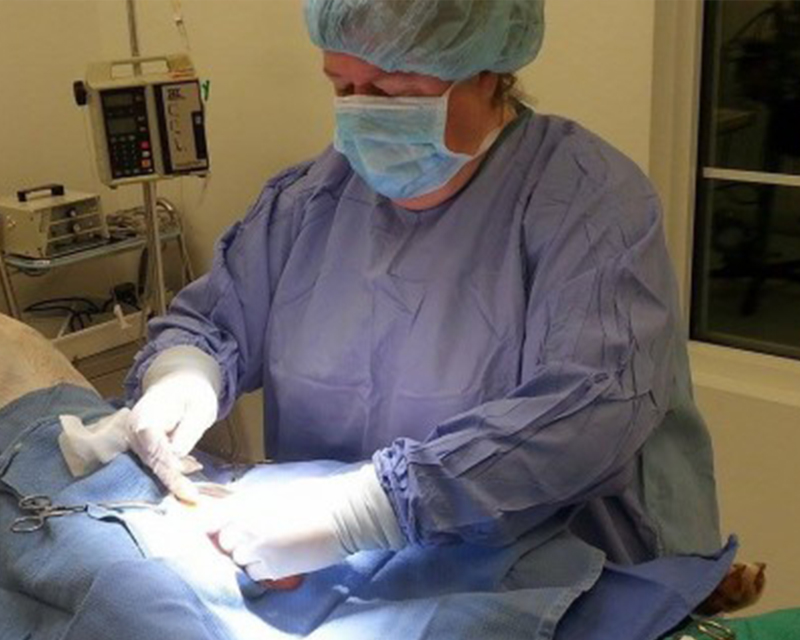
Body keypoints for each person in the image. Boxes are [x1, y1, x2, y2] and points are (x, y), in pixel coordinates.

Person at [125, 0, 722, 584]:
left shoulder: (589, 202)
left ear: (488, 75)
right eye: (343, 86)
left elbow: (589, 412)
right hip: (335, 573)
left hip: (550, 574)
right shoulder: (311, 198)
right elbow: (216, 321)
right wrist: (183, 375)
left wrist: (367, 510)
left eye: (395, 90)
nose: (363, 113)